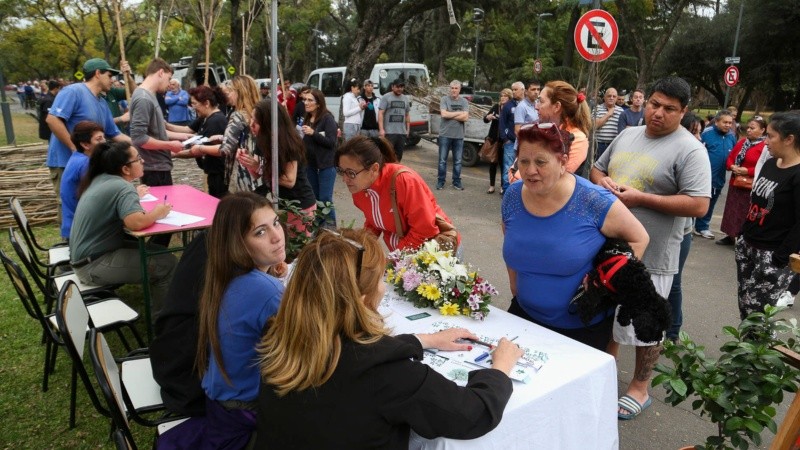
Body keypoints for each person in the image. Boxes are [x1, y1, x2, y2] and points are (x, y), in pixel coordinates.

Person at [256, 228, 523, 448]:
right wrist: (500, 369)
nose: (384, 287)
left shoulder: (280, 337)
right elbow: (471, 415)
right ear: (361, 301)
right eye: (381, 280)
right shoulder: (385, 372)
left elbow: (348, 350)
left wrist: (422, 340)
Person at [591, 76, 711, 420]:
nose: (658, 113)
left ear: (684, 111)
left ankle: (640, 389)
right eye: (654, 104)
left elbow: (700, 205)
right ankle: (603, 372)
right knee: (608, 314)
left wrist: (642, 198)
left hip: (655, 254)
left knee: (648, 324)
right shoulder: (628, 134)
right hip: (610, 248)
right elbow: (598, 170)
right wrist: (606, 182)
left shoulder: (690, 149)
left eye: (669, 108)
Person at [503, 123, 649, 351]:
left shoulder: (592, 199)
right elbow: (511, 240)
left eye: (540, 162)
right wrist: (514, 284)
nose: (530, 171)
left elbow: (639, 238)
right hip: (524, 317)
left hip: (581, 327)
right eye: (524, 161)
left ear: (562, 162)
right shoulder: (512, 195)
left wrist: (610, 282)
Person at [196, 191, 286, 448]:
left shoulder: (225, 275)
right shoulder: (265, 290)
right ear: (238, 244)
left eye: (276, 223)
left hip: (221, 406)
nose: (276, 236)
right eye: (260, 232)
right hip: (247, 416)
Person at [68, 141, 176, 316]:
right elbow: (135, 223)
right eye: (138, 159)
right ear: (125, 169)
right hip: (93, 265)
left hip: (85, 257)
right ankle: (164, 324)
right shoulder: (122, 186)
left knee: (157, 252)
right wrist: (157, 213)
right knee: (167, 264)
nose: (143, 162)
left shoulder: (101, 179)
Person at [336, 135, 459, 252]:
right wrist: (359, 246)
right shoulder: (360, 188)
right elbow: (374, 221)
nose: (345, 179)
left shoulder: (404, 180)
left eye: (351, 173)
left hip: (436, 251)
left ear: (374, 169)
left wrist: (394, 259)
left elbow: (424, 230)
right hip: (405, 254)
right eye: (342, 171)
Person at [46, 58, 131, 223]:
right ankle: (69, 243)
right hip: (65, 163)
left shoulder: (102, 102)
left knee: (87, 206)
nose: (112, 80)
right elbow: (53, 120)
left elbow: (114, 134)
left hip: (89, 165)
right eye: (109, 75)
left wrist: (139, 145)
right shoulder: (73, 91)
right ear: (98, 74)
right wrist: (75, 150)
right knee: (70, 206)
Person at [736, 111, 800, 319]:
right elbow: (757, 201)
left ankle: (758, 351)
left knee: (757, 314)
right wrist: (743, 234)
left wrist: (780, 258)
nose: (765, 142)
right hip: (748, 246)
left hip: (772, 254)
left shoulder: (797, 174)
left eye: (771, 136)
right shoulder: (771, 163)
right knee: (746, 308)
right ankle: (747, 350)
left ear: (789, 139)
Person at [238, 100, 317, 235]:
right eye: (251, 118)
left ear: (268, 123)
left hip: (299, 204)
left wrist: (259, 167)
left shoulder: (288, 142)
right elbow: (257, 173)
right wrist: (246, 161)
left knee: (295, 249)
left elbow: (289, 180)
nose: (251, 124)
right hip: (280, 203)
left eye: (256, 121)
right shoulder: (262, 140)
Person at [195, 75, 262, 193]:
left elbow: (225, 149)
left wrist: (201, 148)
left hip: (243, 172)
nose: (228, 95)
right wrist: (223, 137)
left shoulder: (238, 115)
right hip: (257, 169)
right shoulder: (256, 112)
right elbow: (245, 137)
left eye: (230, 91)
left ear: (240, 92)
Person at [171, 84, 229, 198]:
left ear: (206, 103)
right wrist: (163, 125)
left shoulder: (216, 121)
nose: (193, 108)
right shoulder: (205, 117)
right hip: (211, 171)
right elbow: (187, 130)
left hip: (218, 173)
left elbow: (198, 151)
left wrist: (173, 154)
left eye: (195, 104)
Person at [717, 117, 768, 245]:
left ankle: (742, 238)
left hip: (750, 185)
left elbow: (764, 166)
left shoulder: (765, 147)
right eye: (748, 128)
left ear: (762, 130)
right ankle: (730, 235)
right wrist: (733, 166)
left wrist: (748, 171)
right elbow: (731, 157)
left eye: (753, 128)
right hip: (736, 183)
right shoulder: (742, 143)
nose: (749, 130)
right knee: (731, 211)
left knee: (745, 212)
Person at [534, 80, 591, 176]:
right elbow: (515, 175)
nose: (536, 106)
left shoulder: (576, 139)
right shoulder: (546, 131)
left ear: (557, 106)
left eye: (541, 101)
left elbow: (555, 177)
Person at [60, 121, 106, 240]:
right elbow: (100, 200)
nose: (104, 142)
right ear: (86, 145)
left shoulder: (77, 157)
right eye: (99, 139)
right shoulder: (86, 164)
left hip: (75, 227)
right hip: (83, 234)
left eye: (103, 138)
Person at [694, 109, 736, 239]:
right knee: (694, 201)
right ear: (717, 122)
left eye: (730, 123)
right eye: (725, 122)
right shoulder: (706, 134)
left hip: (719, 178)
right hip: (702, 177)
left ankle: (702, 227)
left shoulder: (731, 136)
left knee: (711, 203)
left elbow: (734, 154)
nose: (728, 125)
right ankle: (687, 226)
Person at [301, 88, 338, 226]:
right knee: (315, 198)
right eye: (305, 99)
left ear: (319, 103)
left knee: (325, 199)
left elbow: (331, 142)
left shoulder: (327, 118)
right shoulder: (307, 118)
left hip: (326, 166)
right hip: (310, 166)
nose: (306, 102)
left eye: (310, 100)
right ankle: (319, 227)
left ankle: (331, 228)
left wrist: (313, 133)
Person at [436, 80, 470, 191]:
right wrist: (459, 113)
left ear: (459, 89)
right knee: (442, 160)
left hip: (458, 136)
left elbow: (465, 117)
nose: (454, 90)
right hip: (445, 134)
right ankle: (441, 181)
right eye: (452, 88)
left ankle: (456, 181)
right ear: (449, 89)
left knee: (458, 161)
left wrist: (450, 114)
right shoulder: (444, 99)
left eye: (456, 88)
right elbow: (443, 114)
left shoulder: (464, 101)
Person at [483, 88, 511, 194]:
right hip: (494, 140)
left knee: (504, 165)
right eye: (501, 96)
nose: (503, 98)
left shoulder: (510, 108)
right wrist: (488, 117)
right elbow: (485, 119)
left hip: (505, 141)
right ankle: (491, 185)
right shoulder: (496, 107)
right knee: (492, 163)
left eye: (505, 96)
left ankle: (503, 186)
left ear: (509, 97)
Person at [498, 82, 523, 194]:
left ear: (523, 90)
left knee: (522, 166)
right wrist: (505, 138)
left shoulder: (527, 104)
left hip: (524, 143)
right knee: (508, 167)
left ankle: (518, 191)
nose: (513, 92)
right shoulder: (508, 105)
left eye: (515, 89)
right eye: (512, 90)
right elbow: (502, 123)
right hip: (511, 142)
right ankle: (507, 191)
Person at [378, 78, 411, 161]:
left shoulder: (405, 98)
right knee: (387, 156)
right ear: (392, 87)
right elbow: (380, 113)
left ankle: (395, 173)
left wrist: (407, 129)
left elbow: (407, 115)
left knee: (398, 157)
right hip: (389, 133)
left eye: (401, 87)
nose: (400, 89)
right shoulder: (386, 97)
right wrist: (381, 129)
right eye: (397, 86)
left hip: (401, 133)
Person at [592, 87, 622, 157]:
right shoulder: (597, 109)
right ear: (604, 97)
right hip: (599, 146)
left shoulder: (621, 111)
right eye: (609, 96)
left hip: (614, 146)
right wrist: (608, 114)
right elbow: (594, 126)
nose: (611, 98)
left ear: (616, 98)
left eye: (614, 96)